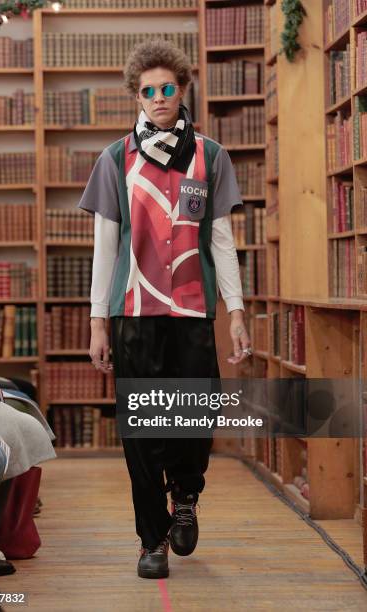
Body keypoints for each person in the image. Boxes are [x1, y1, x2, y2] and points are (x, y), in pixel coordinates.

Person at [78, 39, 252, 579]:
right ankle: (151, 539)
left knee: (193, 423)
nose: (157, 97)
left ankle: (186, 497)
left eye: (167, 88)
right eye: (148, 90)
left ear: (182, 90)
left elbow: (220, 241)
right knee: (140, 432)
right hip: (133, 314)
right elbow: (105, 247)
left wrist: (237, 311)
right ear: (136, 94)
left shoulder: (210, 155)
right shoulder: (114, 159)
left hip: (194, 314)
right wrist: (97, 320)